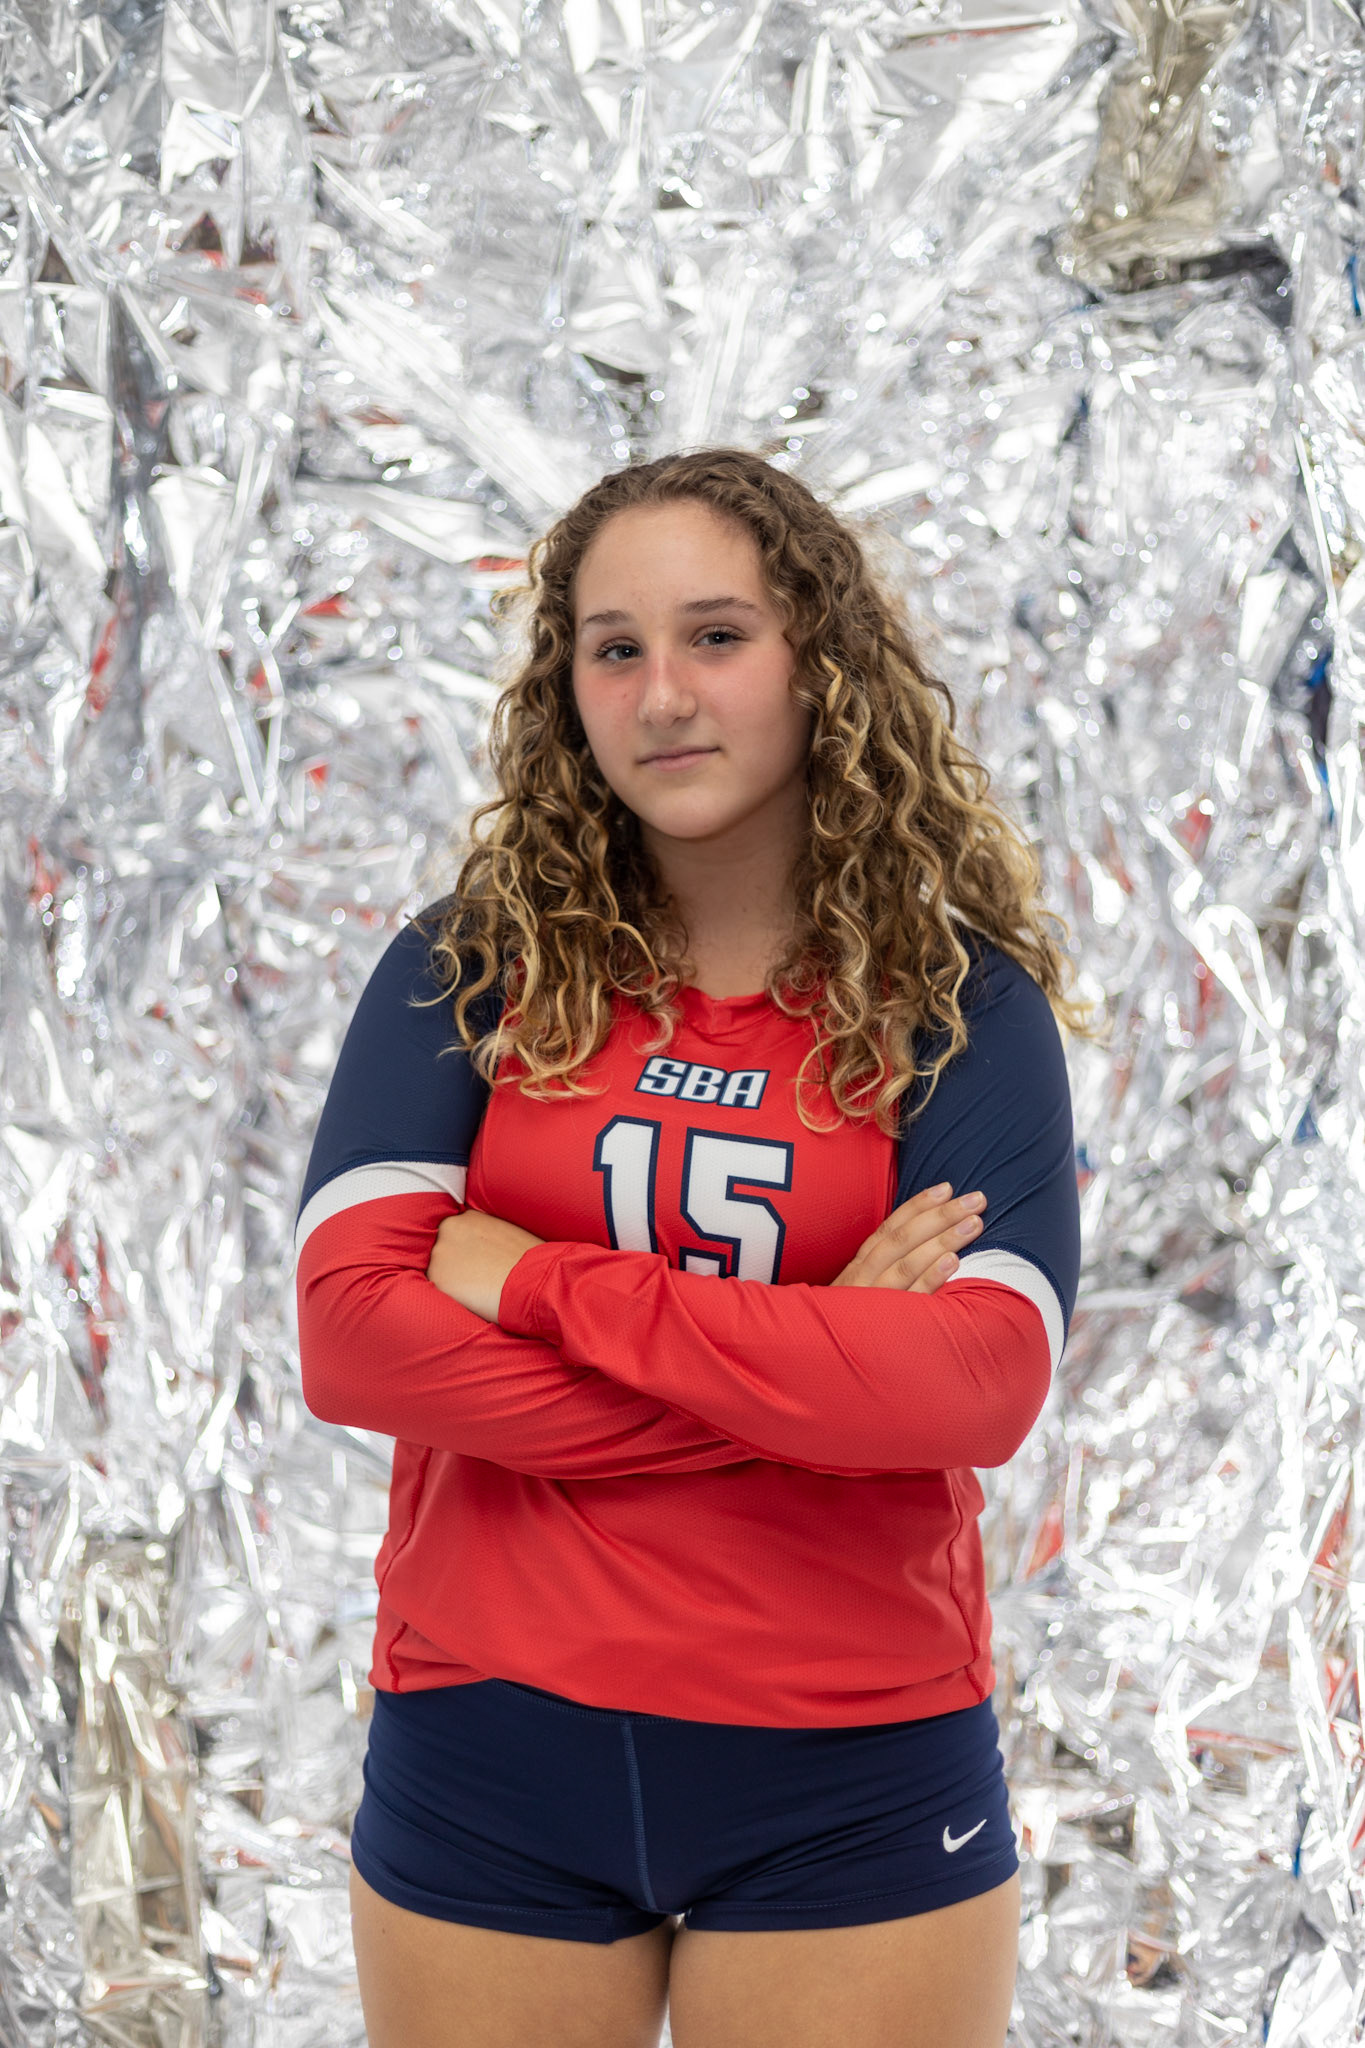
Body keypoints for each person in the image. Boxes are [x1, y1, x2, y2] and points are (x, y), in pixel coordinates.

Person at [294, 446, 1084, 2048]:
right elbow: (354, 1341)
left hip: (847, 1768)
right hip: (488, 1738)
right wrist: (812, 1372)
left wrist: (527, 1279)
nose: (663, 693)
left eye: (717, 636)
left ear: (820, 664)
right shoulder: (469, 970)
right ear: (568, 689)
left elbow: (976, 1386)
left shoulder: (957, 1010)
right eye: (614, 647)